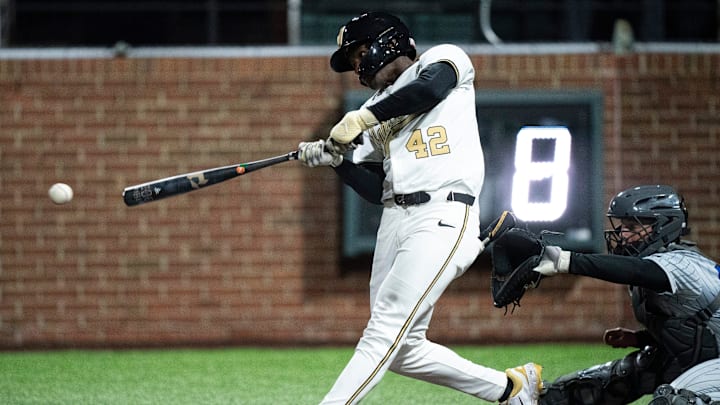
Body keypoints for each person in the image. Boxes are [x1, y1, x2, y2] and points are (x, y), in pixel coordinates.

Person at [297, 11, 542, 405]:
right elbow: (379, 188)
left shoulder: (443, 59)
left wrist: (363, 117)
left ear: (387, 42)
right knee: (402, 348)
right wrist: (337, 162)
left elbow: (428, 91)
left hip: (443, 213)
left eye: (359, 54)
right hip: (395, 220)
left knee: (383, 330)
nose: (357, 68)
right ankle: (511, 389)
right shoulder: (379, 107)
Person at [528, 184, 720, 404]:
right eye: (622, 226)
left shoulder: (682, 263)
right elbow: (699, 331)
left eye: (633, 227)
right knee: (611, 380)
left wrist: (565, 261)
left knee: (675, 401)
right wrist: (639, 338)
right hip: (708, 360)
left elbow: (637, 271)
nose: (623, 234)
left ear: (664, 226)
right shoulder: (663, 263)